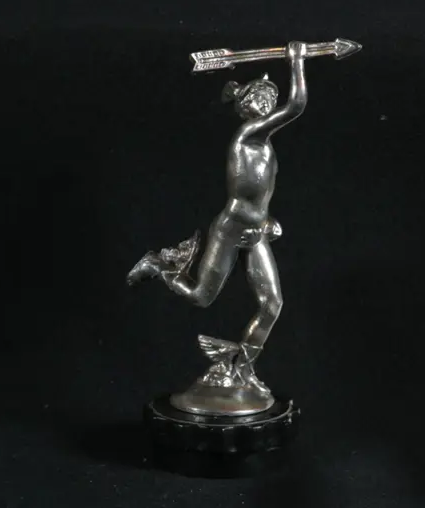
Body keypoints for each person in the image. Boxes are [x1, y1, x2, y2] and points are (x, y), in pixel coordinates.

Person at [127, 41, 308, 400]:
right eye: (257, 98)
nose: (265, 103)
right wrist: (297, 61)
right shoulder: (248, 135)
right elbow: (297, 105)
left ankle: (243, 368)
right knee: (201, 297)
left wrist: (266, 222)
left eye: (269, 98)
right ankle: (158, 265)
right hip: (231, 229)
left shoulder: (265, 144)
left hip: (254, 231)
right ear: (244, 108)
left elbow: (256, 195)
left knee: (272, 304)